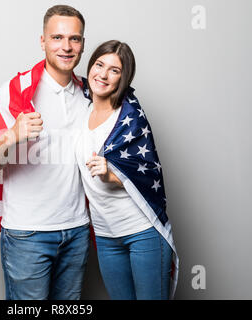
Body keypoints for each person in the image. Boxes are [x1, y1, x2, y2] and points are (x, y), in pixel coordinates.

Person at [0, 5, 91, 300]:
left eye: (74, 39)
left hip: (76, 231)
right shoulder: (15, 92)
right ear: (43, 41)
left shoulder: (89, 94)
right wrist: (12, 136)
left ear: (83, 44)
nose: (66, 46)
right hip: (28, 234)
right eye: (57, 38)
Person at [75, 40, 179, 299]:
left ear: (123, 77)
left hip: (142, 232)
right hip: (106, 236)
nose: (103, 74)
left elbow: (148, 172)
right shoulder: (80, 109)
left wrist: (112, 173)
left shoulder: (129, 117)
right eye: (99, 64)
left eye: (114, 70)